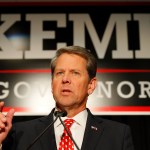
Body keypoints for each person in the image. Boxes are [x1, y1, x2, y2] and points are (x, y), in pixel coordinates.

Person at [0, 46, 134, 150]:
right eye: (59, 73)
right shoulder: (22, 133)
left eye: (75, 73)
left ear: (91, 85)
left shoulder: (117, 135)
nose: (65, 79)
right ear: (52, 84)